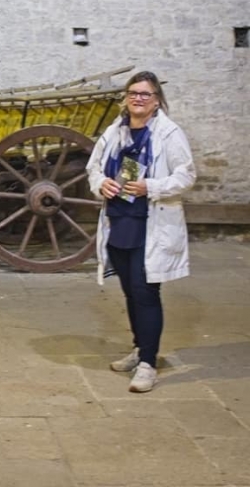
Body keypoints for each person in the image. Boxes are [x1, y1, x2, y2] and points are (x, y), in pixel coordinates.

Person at [87, 71, 196, 393]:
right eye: (133, 92)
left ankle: (148, 363)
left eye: (145, 94)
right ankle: (139, 349)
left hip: (151, 223)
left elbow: (186, 175)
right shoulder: (114, 131)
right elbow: (93, 168)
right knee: (131, 292)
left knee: (146, 292)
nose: (138, 98)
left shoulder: (169, 133)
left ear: (157, 100)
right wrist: (100, 184)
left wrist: (153, 186)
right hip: (120, 221)